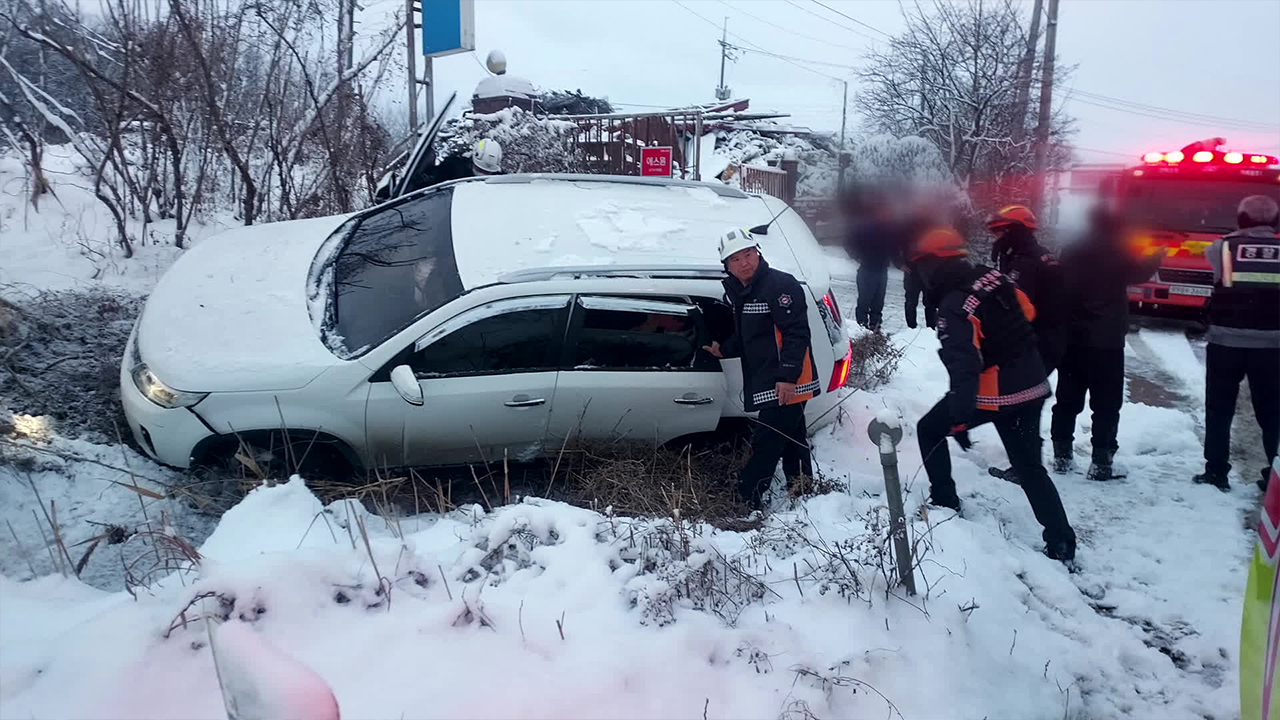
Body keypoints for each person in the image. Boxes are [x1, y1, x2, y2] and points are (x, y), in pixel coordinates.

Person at [907, 226, 1077, 563]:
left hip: (996, 393)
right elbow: (1028, 311)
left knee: (928, 430)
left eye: (921, 267)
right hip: (1033, 384)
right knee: (1029, 467)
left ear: (933, 265)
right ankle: (1061, 541)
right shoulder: (993, 277)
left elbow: (964, 364)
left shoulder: (955, 304)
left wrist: (959, 417)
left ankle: (945, 500)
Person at [704, 229, 821, 510]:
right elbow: (750, 333)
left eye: (748, 254)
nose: (745, 262)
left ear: (758, 252)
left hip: (788, 378)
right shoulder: (743, 291)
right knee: (792, 436)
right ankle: (802, 487)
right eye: (736, 259)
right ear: (727, 266)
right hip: (769, 374)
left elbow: (796, 334)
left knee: (767, 440)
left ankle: (746, 498)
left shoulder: (780, 285)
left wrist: (787, 377)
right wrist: (725, 349)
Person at [1050, 205, 1164, 480]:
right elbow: (1139, 273)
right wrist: (1157, 255)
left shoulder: (1072, 249)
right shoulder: (1118, 250)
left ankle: (1061, 457)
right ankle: (1101, 462)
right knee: (1106, 404)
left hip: (1074, 338)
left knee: (1066, 400)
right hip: (1107, 341)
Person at [1194, 195, 1280, 492]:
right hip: (1272, 347)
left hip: (1225, 342)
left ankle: (1216, 471)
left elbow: (1213, 260)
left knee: (1219, 410)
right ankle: (1275, 475)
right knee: (1272, 413)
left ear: (1241, 220)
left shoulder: (1222, 248)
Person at [988, 205, 1067, 372]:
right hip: (1048, 338)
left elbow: (1016, 308)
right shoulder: (1035, 254)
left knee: (1019, 394)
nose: (994, 239)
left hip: (1038, 341)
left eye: (998, 232)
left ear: (1013, 232)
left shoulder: (1025, 263)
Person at [844, 191, 895, 331]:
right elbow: (848, 242)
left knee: (878, 302)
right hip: (866, 269)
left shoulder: (887, 227)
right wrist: (858, 256)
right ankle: (861, 329)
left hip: (882, 270)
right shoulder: (862, 227)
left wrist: (897, 261)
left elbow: (894, 246)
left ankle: (875, 327)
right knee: (864, 301)